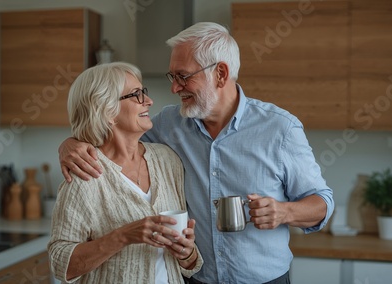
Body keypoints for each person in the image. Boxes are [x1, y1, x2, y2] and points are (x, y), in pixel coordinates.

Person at [58, 23, 334, 284]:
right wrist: (70, 142)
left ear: (221, 74)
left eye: (183, 76)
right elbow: (114, 134)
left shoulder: (279, 128)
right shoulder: (169, 124)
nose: (174, 88)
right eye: (172, 76)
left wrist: (284, 212)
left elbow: (322, 203)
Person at [48, 62, 203, 284]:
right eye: (136, 95)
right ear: (107, 110)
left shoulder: (168, 161)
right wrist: (122, 236)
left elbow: (186, 262)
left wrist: (187, 254)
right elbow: (60, 263)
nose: (148, 101)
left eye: (144, 92)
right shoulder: (85, 174)